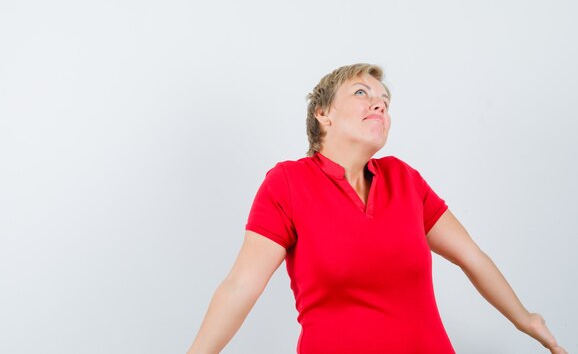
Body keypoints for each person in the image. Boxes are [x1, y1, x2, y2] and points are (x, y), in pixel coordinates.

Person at [186, 63, 568, 354]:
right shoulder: (288, 183)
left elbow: (472, 257)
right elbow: (240, 286)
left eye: (384, 101)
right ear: (323, 113)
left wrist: (527, 319)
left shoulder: (405, 180)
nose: (379, 103)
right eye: (361, 93)